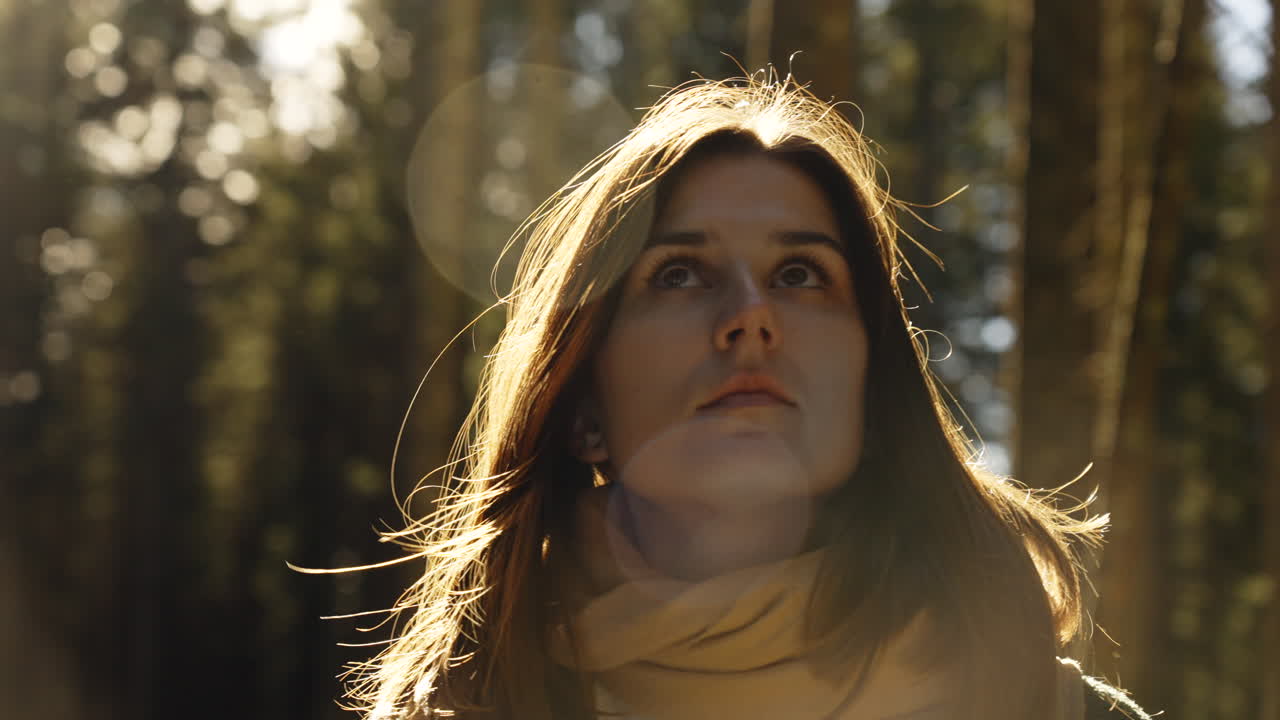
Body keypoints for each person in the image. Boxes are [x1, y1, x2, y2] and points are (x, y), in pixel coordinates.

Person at [345, 74, 1151, 720]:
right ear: (583, 408)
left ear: (874, 391)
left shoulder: (1047, 707)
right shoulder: (463, 706)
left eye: (800, 275)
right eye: (680, 274)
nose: (750, 318)